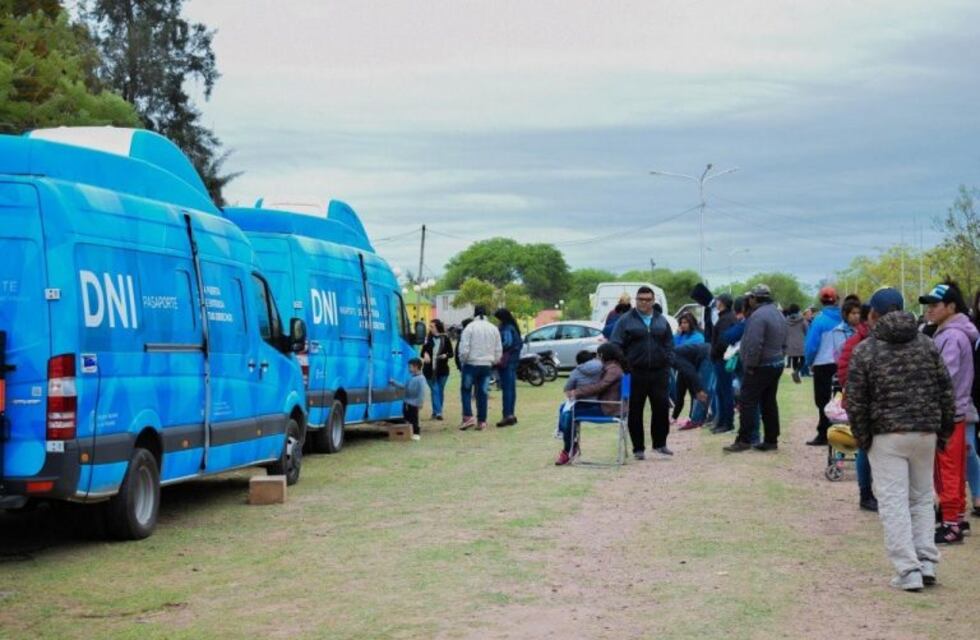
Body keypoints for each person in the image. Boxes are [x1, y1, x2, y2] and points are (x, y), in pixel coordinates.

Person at [846, 288, 955, 590]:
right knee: (921, 498)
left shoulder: (866, 350)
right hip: (925, 432)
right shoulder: (927, 344)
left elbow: (855, 400)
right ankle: (927, 561)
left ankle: (908, 570)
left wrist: (863, 437)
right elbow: (945, 389)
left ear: (874, 315)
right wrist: (943, 430)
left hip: (887, 435)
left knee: (893, 501)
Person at [920, 281, 979, 543]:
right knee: (955, 467)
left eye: (935, 305)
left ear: (951, 306)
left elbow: (945, 377)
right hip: (955, 412)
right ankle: (958, 519)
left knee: (946, 470)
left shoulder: (952, 336)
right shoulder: (951, 332)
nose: (929, 310)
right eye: (927, 305)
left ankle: (951, 523)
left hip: (947, 414)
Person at [611, 286, 674, 459]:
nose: (644, 302)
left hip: (659, 372)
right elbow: (615, 344)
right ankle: (638, 448)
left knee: (661, 409)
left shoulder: (661, 320)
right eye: (640, 299)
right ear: (635, 300)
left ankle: (660, 444)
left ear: (653, 301)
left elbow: (669, 343)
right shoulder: (625, 320)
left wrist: (667, 362)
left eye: (647, 299)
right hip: (634, 373)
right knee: (635, 410)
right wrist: (625, 365)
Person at [724, 284, 787, 452]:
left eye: (750, 298)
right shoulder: (777, 313)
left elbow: (754, 344)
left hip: (761, 365)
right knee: (769, 402)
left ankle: (744, 439)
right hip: (776, 362)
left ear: (754, 298)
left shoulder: (758, 316)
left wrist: (750, 365)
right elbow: (784, 340)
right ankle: (771, 439)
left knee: (747, 402)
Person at [555, 343, 627, 465]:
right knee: (565, 408)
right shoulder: (611, 367)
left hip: (609, 409)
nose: (597, 358)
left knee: (568, 414)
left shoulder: (613, 369)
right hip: (607, 405)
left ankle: (568, 449)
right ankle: (569, 442)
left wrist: (576, 392)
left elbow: (600, 387)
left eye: (598, 355)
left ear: (604, 355)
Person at [836, 303, 877, 512]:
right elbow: (844, 373)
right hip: (861, 403)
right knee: (864, 447)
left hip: (880, 405)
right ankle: (865, 493)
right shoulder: (855, 343)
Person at [804, 286, 843, 446]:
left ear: (821, 301)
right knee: (840, 399)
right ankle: (840, 431)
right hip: (841, 363)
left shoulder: (819, 320)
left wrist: (809, 362)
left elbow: (811, 346)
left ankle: (823, 433)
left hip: (822, 364)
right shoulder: (843, 318)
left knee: (822, 401)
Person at [457, 305, 502, 431]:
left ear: (474, 314)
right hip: (486, 364)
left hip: (471, 363)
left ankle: (468, 416)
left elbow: (464, 347)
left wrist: (463, 360)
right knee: (482, 393)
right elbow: (498, 348)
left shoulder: (470, 327)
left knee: (466, 390)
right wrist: (494, 361)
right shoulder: (493, 328)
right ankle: (482, 421)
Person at [671, 312, 705, 424]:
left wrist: (677, 343)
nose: (683, 325)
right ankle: (674, 417)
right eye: (681, 322)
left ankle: (693, 417)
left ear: (691, 323)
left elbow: (681, 348)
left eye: (685, 322)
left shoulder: (698, 336)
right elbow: (672, 346)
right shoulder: (681, 335)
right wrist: (677, 334)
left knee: (693, 393)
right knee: (679, 394)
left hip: (693, 368)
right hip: (682, 368)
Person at [710, 294, 737, 434]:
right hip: (721, 358)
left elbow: (723, 340)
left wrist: (714, 353)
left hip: (723, 359)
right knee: (720, 391)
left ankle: (727, 422)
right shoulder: (725, 317)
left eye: (718, 301)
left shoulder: (726, 319)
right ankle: (721, 421)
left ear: (723, 303)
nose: (716, 303)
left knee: (725, 391)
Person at [493, 308, 522, 427]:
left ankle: (507, 415)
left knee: (507, 389)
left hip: (507, 361)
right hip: (513, 360)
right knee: (511, 388)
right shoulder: (513, 327)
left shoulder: (507, 328)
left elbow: (507, 343)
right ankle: (511, 413)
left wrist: (496, 348)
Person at [421, 319, 453, 420]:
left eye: (432, 326)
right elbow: (422, 352)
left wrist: (445, 355)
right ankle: (439, 412)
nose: (430, 328)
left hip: (443, 370)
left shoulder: (445, 338)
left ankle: (436, 412)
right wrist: (425, 354)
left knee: (440, 391)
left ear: (437, 327)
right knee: (435, 390)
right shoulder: (428, 339)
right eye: (429, 326)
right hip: (429, 370)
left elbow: (451, 353)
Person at [403, 358, 427, 441]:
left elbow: (422, 392)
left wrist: (420, 403)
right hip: (407, 402)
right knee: (407, 418)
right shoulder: (411, 378)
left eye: (410, 367)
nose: (409, 369)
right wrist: (394, 383)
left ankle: (416, 433)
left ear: (416, 367)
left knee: (414, 419)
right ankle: (409, 433)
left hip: (414, 403)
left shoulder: (421, 378)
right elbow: (405, 388)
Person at [784, 303, 808, 383]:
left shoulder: (786, 320)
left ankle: (795, 373)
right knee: (803, 359)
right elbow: (806, 330)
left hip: (790, 344)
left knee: (794, 359)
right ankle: (797, 371)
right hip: (801, 343)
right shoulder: (802, 320)